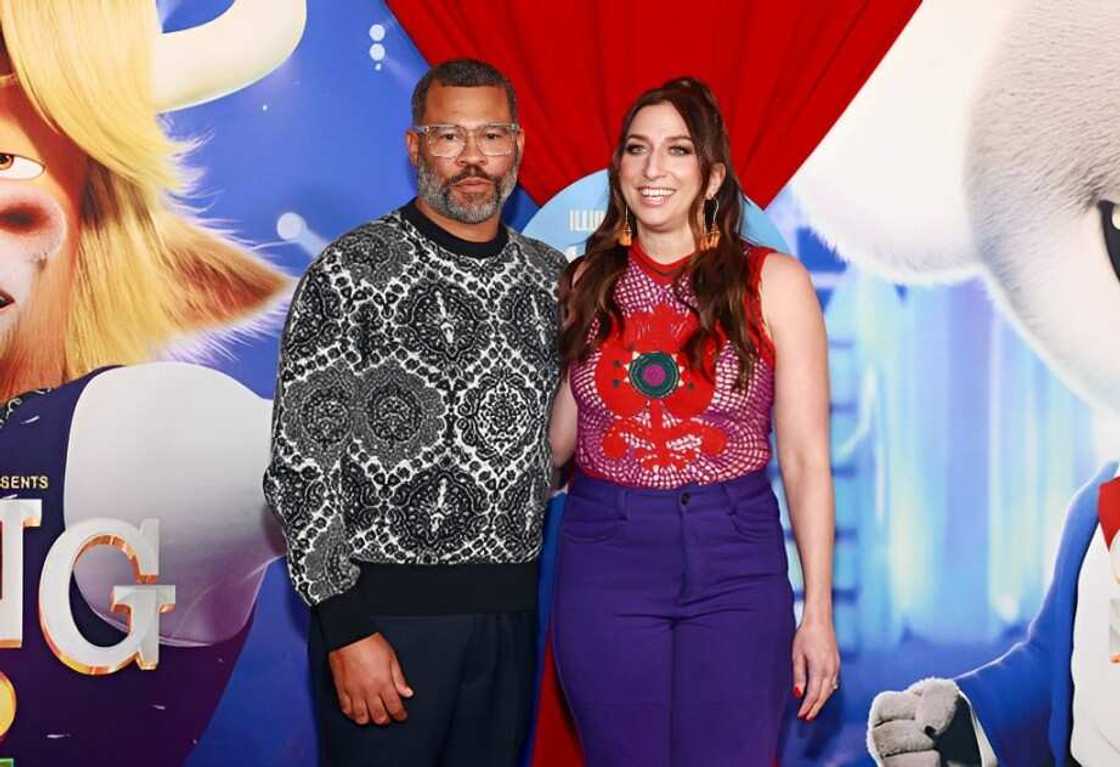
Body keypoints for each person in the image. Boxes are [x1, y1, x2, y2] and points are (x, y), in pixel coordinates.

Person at [264, 58, 566, 766]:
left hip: (508, 621)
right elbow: (300, 466)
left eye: (490, 135)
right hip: (382, 625)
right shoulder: (353, 269)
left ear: (517, 145)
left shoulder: (551, 278)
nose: (471, 158)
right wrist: (344, 626)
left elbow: (559, 444)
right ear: (414, 146)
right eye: (448, 136)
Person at [547, 77, 840, 766]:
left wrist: (818, 611)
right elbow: (561, 441)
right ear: (618, 169)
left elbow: (803, 458)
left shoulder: (774, 282)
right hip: (606, 554)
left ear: (711, 175)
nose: (654, 169)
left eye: (677, 150)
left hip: (735, 556)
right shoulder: (586, 280)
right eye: (637, 149)